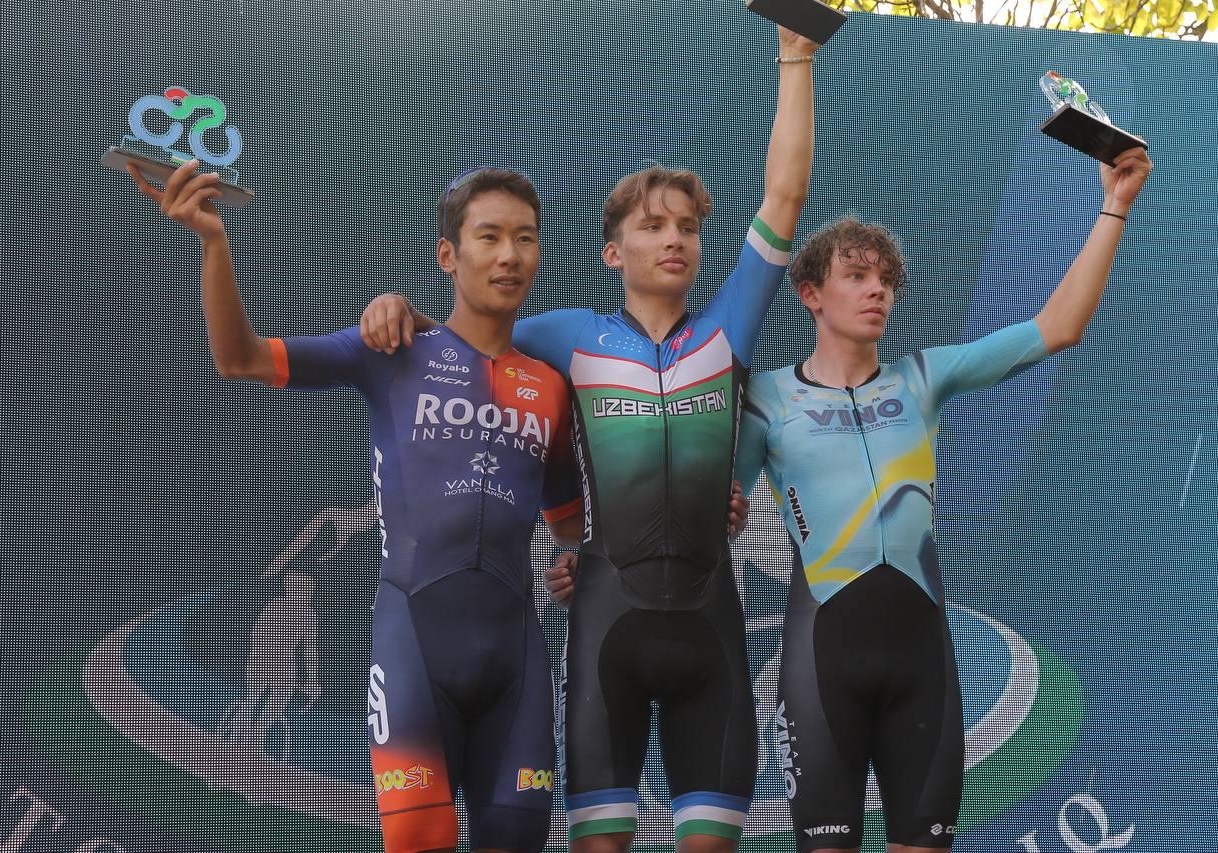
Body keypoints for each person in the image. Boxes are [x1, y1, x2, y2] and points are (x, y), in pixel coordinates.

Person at [358, 24, 819, 851]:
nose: (674, 238)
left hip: (710, 629)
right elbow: (471, 339)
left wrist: (796, 56)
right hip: (606, 624)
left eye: (688, 227)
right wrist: (400, 312)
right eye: (653, 225)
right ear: (613, 250)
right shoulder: (565, 335)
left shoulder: (728, 330)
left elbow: (783, 199)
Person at [125, 162, 585, 853]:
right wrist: (214, 244)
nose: (510, 255)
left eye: (525, 238)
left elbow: (571, 524)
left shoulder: (550, 388)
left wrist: (583, 559)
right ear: (448, 254)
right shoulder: (392, 350)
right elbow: (240, 358)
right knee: (421, 839)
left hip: (517, 665)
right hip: (414, 647)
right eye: (489, 236)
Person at [732, 147, 1153, 853]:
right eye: (857, 276)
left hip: (921, 664)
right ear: (810, 293)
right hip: (821, 662)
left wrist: (1116, 206)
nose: (878, 291)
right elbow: (716, 517)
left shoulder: (922, 379)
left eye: (886, 280)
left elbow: (1058, 326)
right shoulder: (766, 398)